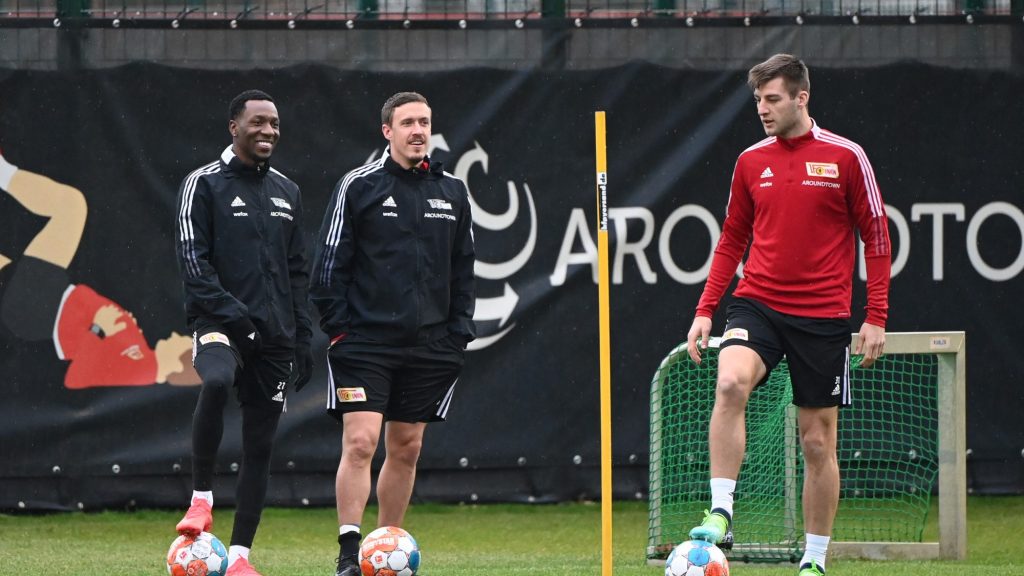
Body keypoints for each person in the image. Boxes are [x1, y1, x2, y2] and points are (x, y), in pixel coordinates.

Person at [685, 54, 891, 576]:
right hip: (758, 302)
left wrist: (876, 315)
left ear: (802, 97)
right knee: (730, 383)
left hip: (823, 317)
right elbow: (732, 238)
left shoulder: (847, 157)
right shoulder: (751, 161)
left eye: (772, 99)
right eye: (758, 100)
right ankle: (722, 511)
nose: (763, 109)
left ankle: (814, 561)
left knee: (817, 443)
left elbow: (876, 235)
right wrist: (706, 308)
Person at [310, 91, 475, 576]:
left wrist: (457, 334)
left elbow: (465, 271)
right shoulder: (358, 186)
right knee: (361, 442)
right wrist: (340, 331)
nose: (418, 130)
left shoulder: (453, 191)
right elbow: (328, 266)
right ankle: (348, 553)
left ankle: (384, 553)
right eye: (407, 123)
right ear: (388, 131)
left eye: (424, 122)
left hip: (431, 347)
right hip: (364, 343)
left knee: (407, 446)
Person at [173, 89, 314, 576]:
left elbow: (296, 271)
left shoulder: (287, 192)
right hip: (220, 324)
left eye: (274, 123)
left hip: (274, 339)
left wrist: (301, 337)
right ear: (233, 127)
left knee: (260, 446)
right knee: (213, 381)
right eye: (257, 122)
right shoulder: (203, 185)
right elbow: (195, 267)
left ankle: (239, 559)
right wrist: (241, 322)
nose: (268, 131)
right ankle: (200, 499)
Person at [0, 151, 198, 388]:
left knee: (70, 207)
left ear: (177, 364)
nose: (177, 336)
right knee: (69, 209)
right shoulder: (142, 357)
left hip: (42, 306)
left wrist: (99, 329)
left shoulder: (142, 369)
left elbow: (76, 379)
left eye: (182, 342)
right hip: (45, 302)